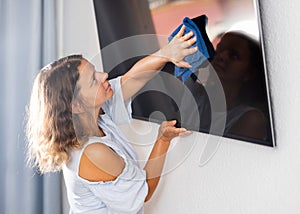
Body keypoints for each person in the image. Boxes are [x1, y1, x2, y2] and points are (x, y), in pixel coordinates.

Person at [26, 25, 197, 213]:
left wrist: (166, 53)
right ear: (76, 106)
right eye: (93, 80)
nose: (104, 75)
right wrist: (163, 140)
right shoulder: (93, 154)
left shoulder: (94, 115)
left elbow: (132, 79)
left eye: (95, 71)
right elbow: (144, 191)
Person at [182, 31, 269, 141]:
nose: (221, 57)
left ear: (249, 73)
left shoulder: (250, 119)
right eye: (219, 50)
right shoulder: (194, 92)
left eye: (234, 56)